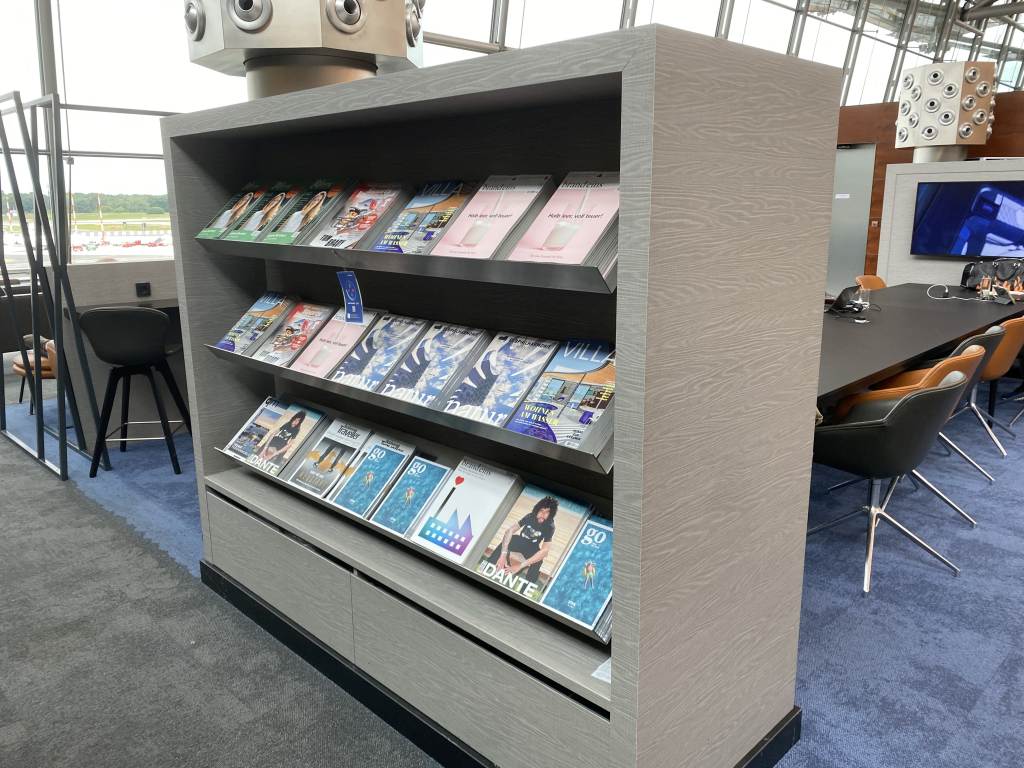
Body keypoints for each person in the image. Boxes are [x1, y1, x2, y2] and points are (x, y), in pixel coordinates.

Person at [488, 495, 559, 586]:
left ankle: (527, 586)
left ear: (551, 514)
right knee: (509, 538)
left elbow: (545, 551)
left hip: (532, 547)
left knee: (539, 560)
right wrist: (503, 555)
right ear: (537, 510)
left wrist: (520, 566)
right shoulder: (530, 516)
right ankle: (489, 564)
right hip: (520, 541)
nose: (543, 514)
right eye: (541, 510)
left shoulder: (550, 526)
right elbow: (510, 531)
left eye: (547, 512)